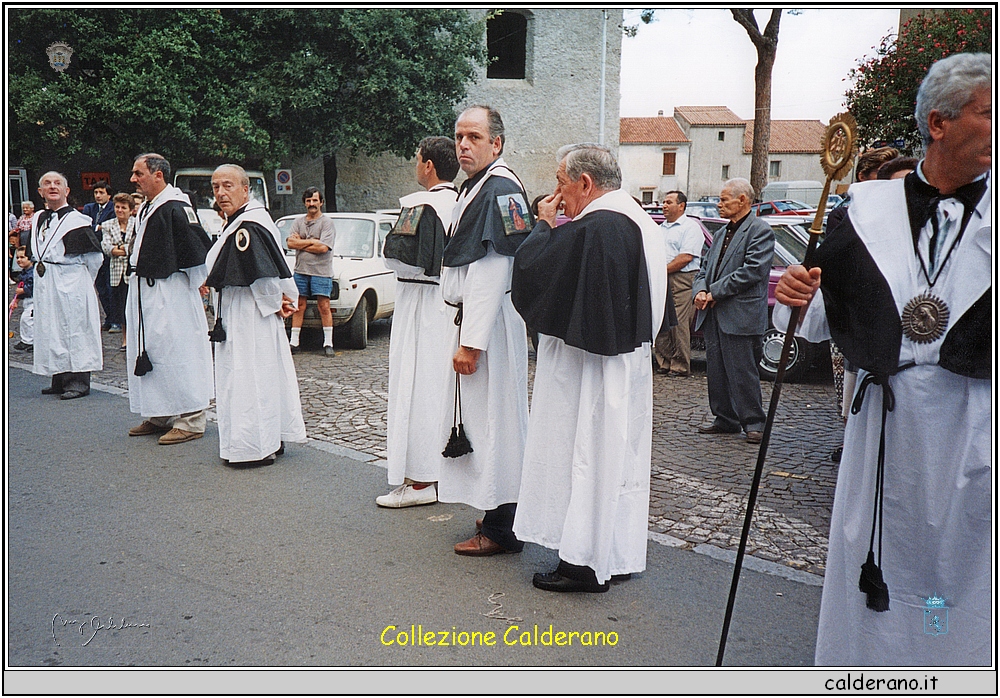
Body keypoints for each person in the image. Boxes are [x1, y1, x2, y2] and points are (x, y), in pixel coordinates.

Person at [774, 53, 990, 666]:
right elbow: (814, 318)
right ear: (940, 123)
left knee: (967, 563)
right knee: (879, 557)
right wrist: (795, 294)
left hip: (976, 419)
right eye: (986, 110)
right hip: (885, 426)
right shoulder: (864, 211)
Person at [511, 143, 667, 592]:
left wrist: (541, 225)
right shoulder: (638, 219)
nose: (558, 196)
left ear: (584, 183)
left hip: (590, 368)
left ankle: (581, 561)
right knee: (618, 460)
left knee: (585, 455)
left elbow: (534, 269)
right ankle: (612, 552)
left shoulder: (600, 226)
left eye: (561, 185)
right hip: (625, 363)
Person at [439, 105, 531, 556]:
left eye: (473, 137)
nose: (462, 145)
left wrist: (470, 344)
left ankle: (500, 528)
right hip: (484, 320)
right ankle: (498, 509)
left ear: (496, 144)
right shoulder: (477, 188)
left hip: (489, 325)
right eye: (459, 136)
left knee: (496, 423)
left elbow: (493, 268)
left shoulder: (498, 188)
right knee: (491, 421)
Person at [204, 164, 306, 467]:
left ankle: (252, 447)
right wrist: (283, 299)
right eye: (215, 187)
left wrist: (276, 302)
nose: (221, 193)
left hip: (249, 313)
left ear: (246, 189)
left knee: (247, 377)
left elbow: (262, 276)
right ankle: (269, 438)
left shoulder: (249, 225)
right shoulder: (238, 222)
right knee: (259, 375)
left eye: (228, 186)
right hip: (246, 309)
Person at [376, 137, 459, 507]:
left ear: (428, 166)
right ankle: (437, 474)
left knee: (417, 388)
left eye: (417, 158)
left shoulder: (420, 204)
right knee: (437, 389)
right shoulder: (460, 203)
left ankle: (421, 481)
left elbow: (397, 258)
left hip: (420, 305)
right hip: (447, 304)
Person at [126, 153, 214, 445]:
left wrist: (196, 284)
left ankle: (191, 418)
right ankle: (160, 412)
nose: (133, 179)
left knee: (179, 349)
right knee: (152, 349)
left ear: (158, 175)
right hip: (145, 289)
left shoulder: (176, 207)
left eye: (139, 173)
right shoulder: (147, 208)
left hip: (170, 291)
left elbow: (196, 252)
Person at [692, 178, 773, 445]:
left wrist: (714, 291)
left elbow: (752, 271)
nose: (718, 204)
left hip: (740, 315)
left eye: (724, 199)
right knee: (716, 370)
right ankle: (725, 418)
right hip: (715, 314)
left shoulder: (759, 231)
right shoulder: (718, 235)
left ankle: (753, 422)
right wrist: (701, 290)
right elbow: (704, 269)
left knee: (742, 371)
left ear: (743, 201)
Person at [28, 172, 104, 399]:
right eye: (47, 184)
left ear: (67, 191)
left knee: (75, 328)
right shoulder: (39, 218)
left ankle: (78, 381)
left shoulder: (77, 222)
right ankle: (59, 377)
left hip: (71, 279)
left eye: (58, 183)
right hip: (47, 279)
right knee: (51, 327)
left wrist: (79, 282)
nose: (53, 187)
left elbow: (95, 259)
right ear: (40, 192)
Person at [654, 190, 703, 377]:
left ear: (681, 206)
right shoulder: (661, 228)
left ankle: (680, 364)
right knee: (661, 320)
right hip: (662, 277)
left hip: (682, 278)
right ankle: (664, 361)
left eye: (668, 202)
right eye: (663, 202)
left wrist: (661, 270)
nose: (664, 206)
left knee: (679, 322)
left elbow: (685, 257)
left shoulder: (690, 228)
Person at [287, 187, 337, 356]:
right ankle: (294, 342)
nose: (312, 204)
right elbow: (290, 243)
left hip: (321, 272)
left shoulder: (327, 223)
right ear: (305, 203)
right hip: (301, 270)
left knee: (324, 306)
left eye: (315, 200)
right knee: (299, 305)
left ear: (321, 202)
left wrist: (302, 242)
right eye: (308, 201)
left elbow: (323, 248)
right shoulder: (298, 222)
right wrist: (312, 242)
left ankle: (328, 343)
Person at [100, 193, 136, 337]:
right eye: (117, 207)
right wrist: (117, 250)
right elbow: (106, 246)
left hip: (132, 271)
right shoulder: (108, 225)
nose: (119, 210)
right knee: (121, 307)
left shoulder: (137, 223)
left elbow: (136, 245)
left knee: (133, 305)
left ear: (131, 210)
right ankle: (125, 338)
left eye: (123, 207)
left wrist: (123, 249)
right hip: (116, 272)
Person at [83, 181, 116, 329]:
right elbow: (84, 225)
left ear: (108, 195)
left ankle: (115, 320)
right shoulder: (89, 208)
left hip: (109, 252)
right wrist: (98, 227)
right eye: (96, 193)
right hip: (93, 251)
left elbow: (112, 225)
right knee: (100, 288)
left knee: (111, 287)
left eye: (101, 193)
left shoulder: (113, 208)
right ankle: (108, 317)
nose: (98, 196)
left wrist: (97, 227)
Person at [12, 247, 35, 351]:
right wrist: (15, 301)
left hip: (33, 300)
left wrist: (24, 290)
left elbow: (34, 286)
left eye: (22, 257)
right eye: (17, 257)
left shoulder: (33, 273)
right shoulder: (24, 273)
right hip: (27, 301)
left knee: (27, 319)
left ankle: (28, 341)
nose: (19, 260)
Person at [9, 200, 35, 282]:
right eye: (24, 208)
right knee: (23, 253)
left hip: (31, 236)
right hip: (22, 237)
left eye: (27, 208)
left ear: (32, 208)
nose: (25, 210)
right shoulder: (21, 217)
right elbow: (17, 229)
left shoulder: (35, 216)